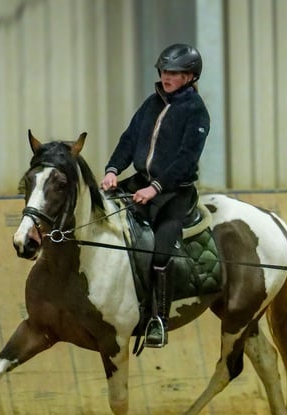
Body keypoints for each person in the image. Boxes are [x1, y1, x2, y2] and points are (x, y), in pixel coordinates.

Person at [101, 43, 210, 348]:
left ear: (190, 76)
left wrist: (156, 188)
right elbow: (129, 138)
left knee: (161, 252)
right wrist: (112, 170)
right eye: (164, 71)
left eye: (173, 72)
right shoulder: (151, 104)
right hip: (140, 182)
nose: (166, 76)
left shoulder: (197, 113)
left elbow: (186, 159)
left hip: (174, 194)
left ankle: (157, 319)